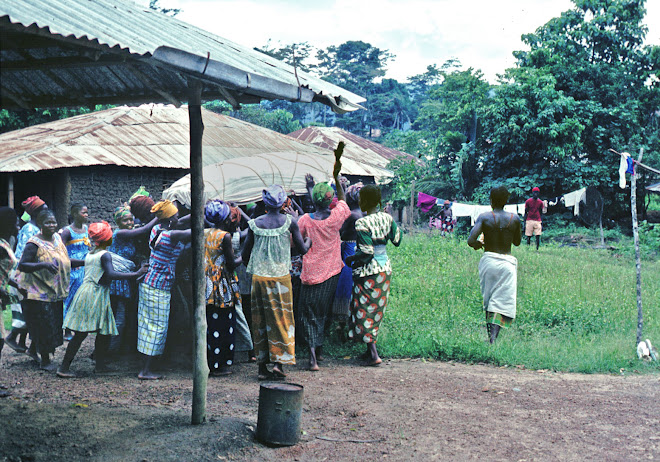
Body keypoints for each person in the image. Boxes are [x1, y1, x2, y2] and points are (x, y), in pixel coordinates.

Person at [57, 222, 147, 378]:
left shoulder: (92, 253)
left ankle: (99, 365)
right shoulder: (105, 255)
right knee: (82, 332)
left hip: (91, 292)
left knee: (103, 331)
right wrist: (136, 274)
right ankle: (64, 368)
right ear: (108, 239)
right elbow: (111, 274)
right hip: (95, 294)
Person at [242, 185, 310, 380]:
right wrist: (310, 241)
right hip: (281, 279)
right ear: (282, 203)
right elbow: (302, 249)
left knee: (260, 320)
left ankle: (262, 367)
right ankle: (280, 362)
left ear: (264, 202)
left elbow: (246, 254)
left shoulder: (254, 224)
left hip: (259, 279)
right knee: (282, 320)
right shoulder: (290, 223)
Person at [298, 166, 351, 371]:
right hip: (332, 272)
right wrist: (337, 181)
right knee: (323, 312)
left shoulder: (305, 221)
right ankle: (319, 351)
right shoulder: (336, 217)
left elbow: (297, 240)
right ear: (331, 200)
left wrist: (310, 187)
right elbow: (343, 201)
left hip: (311, 274)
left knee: (308, 313)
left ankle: (312, 358)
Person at [17, 210, 82, 370]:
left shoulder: (57, 239)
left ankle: (34, 350)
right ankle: (45, 360)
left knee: (51, 324)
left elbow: (64, 260)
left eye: (53, 222)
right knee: (44, 326)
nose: (51, 225)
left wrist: (85, 262)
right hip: (37, 292)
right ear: (40, 224)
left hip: (54, 291)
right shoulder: (34, 244)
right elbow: (23, 265)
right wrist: (43, 265)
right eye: (47, 223)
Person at [345, 185, 402, 367]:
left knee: (363, 308)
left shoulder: (362, 223)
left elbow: (366, 252)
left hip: (368, 271)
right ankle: (368, 351)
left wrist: (352, 259)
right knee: (375, 309)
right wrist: (390, 218)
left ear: (364, 202)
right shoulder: (387, 218)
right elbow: (397, 240)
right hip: (385, 268)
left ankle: (373, 354)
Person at [137, 200, 191, 380]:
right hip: (158, 287)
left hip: (150, 284)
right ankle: (145, 371)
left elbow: (182, 222)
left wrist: (202, 210)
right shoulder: (171, 236)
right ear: (170, 219)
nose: (179, 218)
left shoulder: (156, 229)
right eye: (176, 215)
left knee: (149, 326)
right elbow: (191, 231)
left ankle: (148, 365)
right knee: (156, 328)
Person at [467, 185, 522, 343]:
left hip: (489, 262)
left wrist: (478, 244)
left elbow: (471, 240)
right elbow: (517, 242)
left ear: (490, 200)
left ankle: (489, 337)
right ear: (507, 201)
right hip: (507, 264)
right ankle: (493, 338)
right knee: (501, 301)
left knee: (489, 299)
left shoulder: (484, 217)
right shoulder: (515, 219)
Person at [107, 204, 158, 353]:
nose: (129, 223)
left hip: (125, 280)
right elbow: (143, 230)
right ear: (118, 222)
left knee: (122, 316)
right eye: (125, 221)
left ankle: (114, 349)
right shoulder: (119, 233)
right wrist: (158, 216)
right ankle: (108, 351)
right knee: (117, 317)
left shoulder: (129, 236)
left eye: (131, 220)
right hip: (117, 281)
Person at [204, 200, 244, 376]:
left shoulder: (203, 232)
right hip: (222, 285)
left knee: (210, 324)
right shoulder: (224, 236)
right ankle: (222, 364)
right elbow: (232, 263)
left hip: (206, 283)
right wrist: (244, 255)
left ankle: (210, 362)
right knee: (225, 323)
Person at [5, 196, 47, 354]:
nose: (47, 209)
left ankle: (22, 342)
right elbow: (23, 254)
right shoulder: (30, 229)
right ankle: (12, 337)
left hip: (31, 272)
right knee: (28, 309)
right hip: (24, 273)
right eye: (44, 208)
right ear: (36, 212)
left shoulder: (36, 228)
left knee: (27, 308)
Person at [331, 182, 364, 341]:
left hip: (348, 250)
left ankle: (342, 324)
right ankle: (351, 325)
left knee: (345, 287)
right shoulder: (362, 213)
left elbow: (340, 231)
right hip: (356, 249)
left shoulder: (352, 215)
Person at [60, 203, 92, 340]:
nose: (86, 215)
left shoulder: (86, 229)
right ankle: (66, 329)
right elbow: (60, 251)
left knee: (80, 299)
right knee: (69, 299)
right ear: (74, 214)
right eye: (83, 212)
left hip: (85, 269)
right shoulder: (67, 231)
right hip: (72, 270)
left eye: (86, 212)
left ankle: (77, 326)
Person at [0, 207, 22, 363]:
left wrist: (16, 285)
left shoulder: (4, 243)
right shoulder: (1, 247)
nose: (18, 227)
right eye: (16, 223)